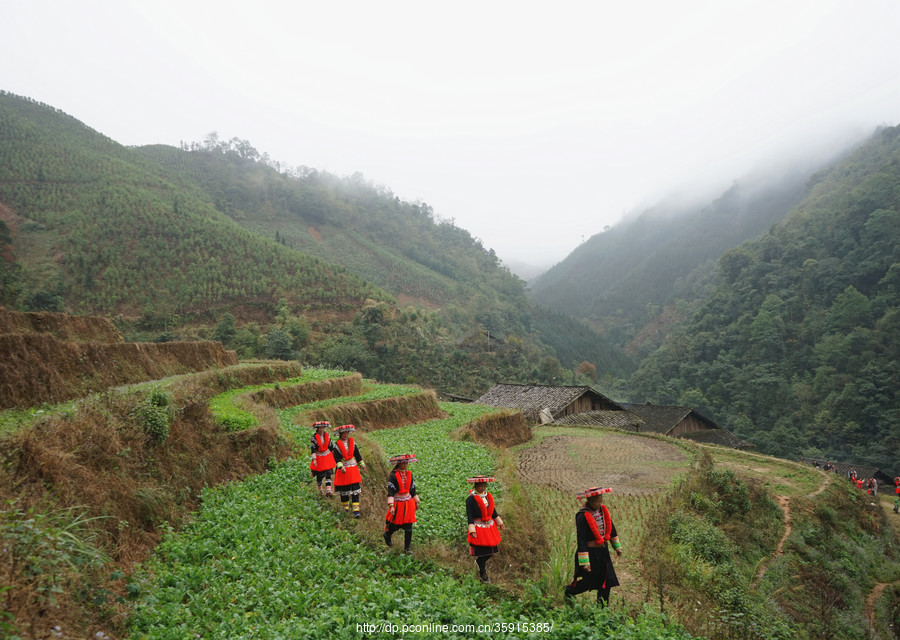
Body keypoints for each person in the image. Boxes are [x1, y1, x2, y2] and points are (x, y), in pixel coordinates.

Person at [564, 487, 622, 606]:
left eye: (600, 500)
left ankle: (602, 609)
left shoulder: (603, 512)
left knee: (607, 581)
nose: (599, 503)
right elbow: (581, 540)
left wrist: (617, 547)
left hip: (603, 553)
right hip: (590, 554)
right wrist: (585, 562)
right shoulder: (581, 516)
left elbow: (611, 529)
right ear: (589, 501)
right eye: (596, 501)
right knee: (589, 581)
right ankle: (568, 591)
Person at [465, 475, 504, 583]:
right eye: (480, 486)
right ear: (475, 486)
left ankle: (480, 564)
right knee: (482, 552)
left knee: (491, 551)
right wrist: (472, 530)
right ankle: (483, 573)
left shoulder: (488, 497)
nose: (482, 488)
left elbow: (493, 512)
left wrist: (499, 522)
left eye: (484, 486)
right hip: (479, 528)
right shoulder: (470, 499)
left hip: (489, 528)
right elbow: (470, 515)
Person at [384, 454, 420, 552]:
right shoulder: (393, 475)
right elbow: (390, 491)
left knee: (409, 526)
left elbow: (412, 489)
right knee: (395, 525)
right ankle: (387, 535)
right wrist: (391, 506)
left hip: (408, 503)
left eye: (406, 463)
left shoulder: (409, 474)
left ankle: (407, 548)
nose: (405, 465)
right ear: (398, 464)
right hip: (398, 503)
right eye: (403, 463)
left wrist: (416, 501)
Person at [331, 424, 366, 517]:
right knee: (345, 490)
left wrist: (362, 464)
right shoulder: (336, 446)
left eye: (346, 433)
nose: (345, 435)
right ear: (340, 434)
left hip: (353, 468)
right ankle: (345, 509)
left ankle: (356, 511)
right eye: (343, 433)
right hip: (344, 470)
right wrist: (340, 467)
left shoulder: (352, 443)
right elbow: (336, 458)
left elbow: (357, 455)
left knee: (355, 490)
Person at [309, 420, 337, 496]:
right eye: (320, 428)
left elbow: (330, 446)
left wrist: (334, 455)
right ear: (317, 429)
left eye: (322, 428)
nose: (321, 429)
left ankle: (328, 491)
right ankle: (320, 489)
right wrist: (314, 459)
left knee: (328, 473)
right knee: (320, 475)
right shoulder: (314, 438)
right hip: (319, 458)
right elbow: (313, 449)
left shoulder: (327, 436)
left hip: (327, 456)